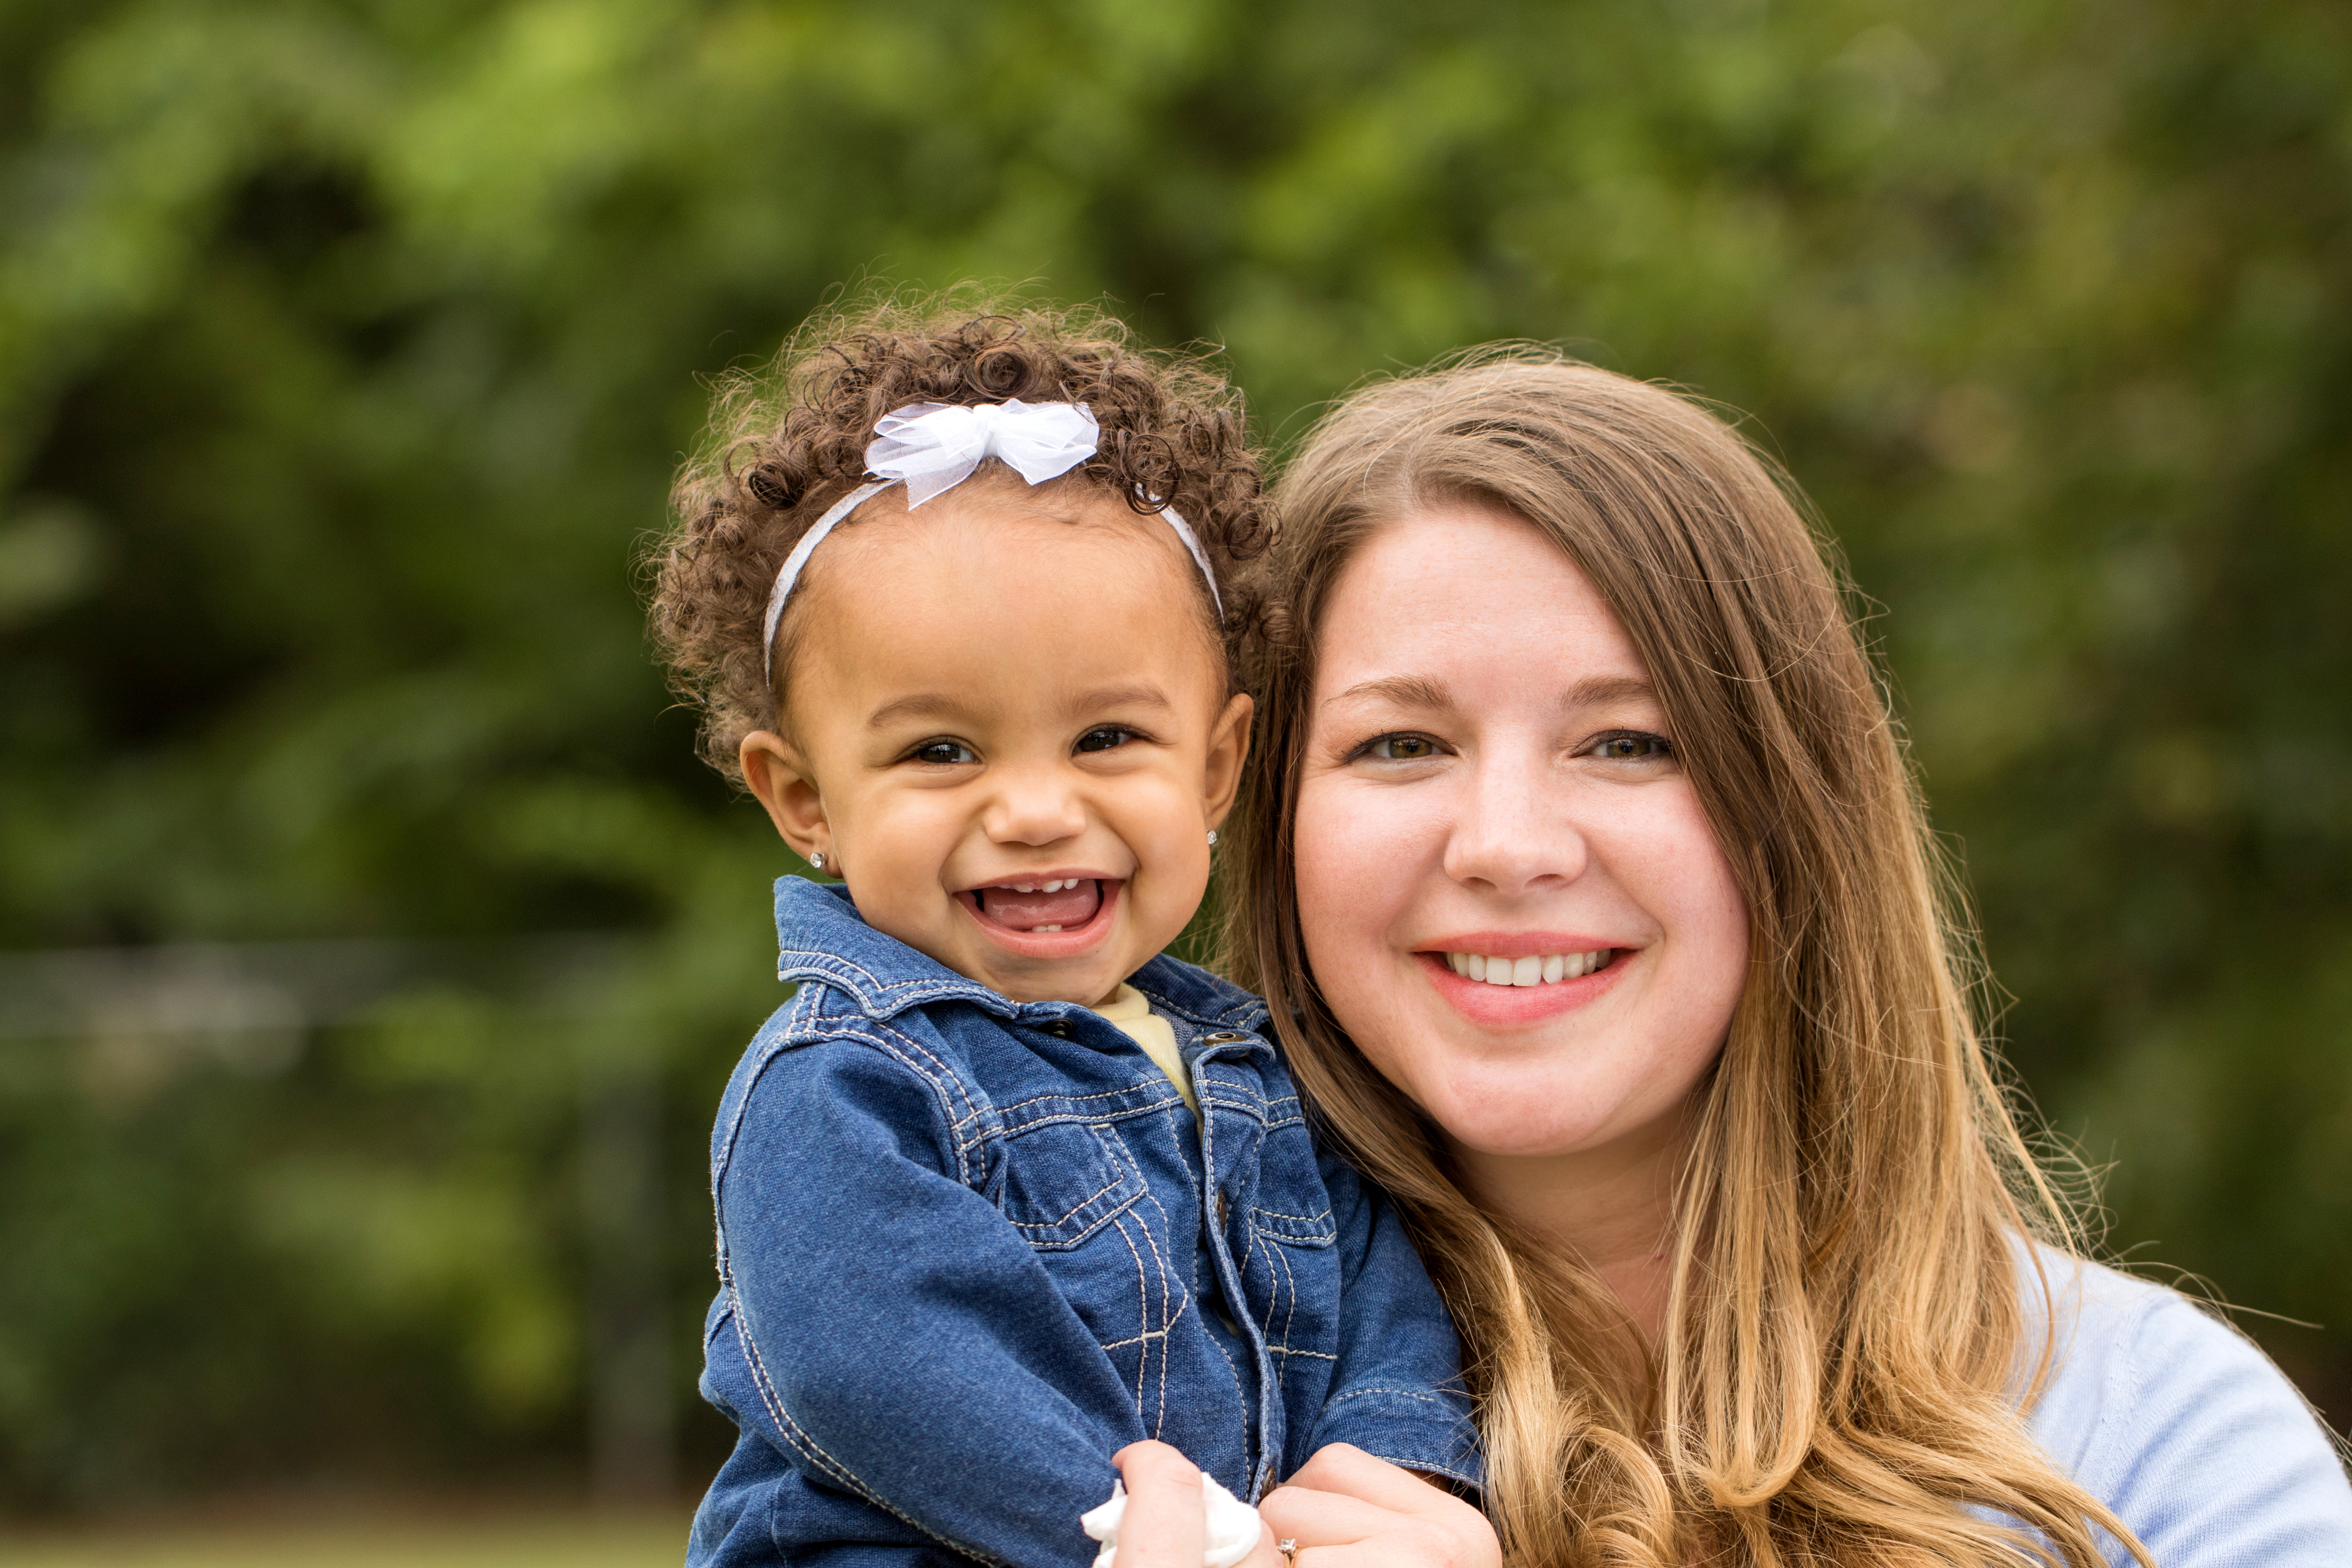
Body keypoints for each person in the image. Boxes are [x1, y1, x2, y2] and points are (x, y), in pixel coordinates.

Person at [1111, 352, 2352, 1568]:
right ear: (1263, 810)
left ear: (1796, 817)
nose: (1506, 845)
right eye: (1400, 743)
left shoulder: (2147, 1445)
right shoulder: (1094, 1375)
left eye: (1628, 742)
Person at [646, 303, 1478, 1568]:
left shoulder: (1262, 1066)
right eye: (940, 750)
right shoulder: (843, 1084)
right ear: (805, 797)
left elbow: (1382, 1303)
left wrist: (1393, 1486)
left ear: (1217, 767)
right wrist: (1196, 1538)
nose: (1036, 810)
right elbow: (883, 1361)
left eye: (1105, 739)